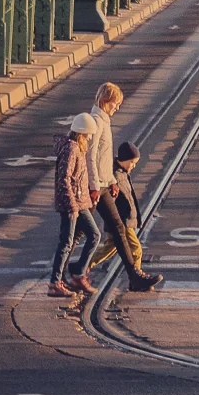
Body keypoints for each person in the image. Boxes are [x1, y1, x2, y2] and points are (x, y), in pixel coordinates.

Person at [69, 82, 164, 294]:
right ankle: (66, 272)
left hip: (103, 184)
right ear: (104, 101)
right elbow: (91, 158)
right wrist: (95, 186)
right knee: (79, 232)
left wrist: (112, 181)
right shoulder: (96, 121)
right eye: (115, 103)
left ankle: (132, 276)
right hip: (95, 186)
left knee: (115, 230)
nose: (117, 108)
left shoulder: (104, 121)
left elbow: (104, 160)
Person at [47, 113, 100, 299]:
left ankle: (78, 273)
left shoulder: (77, 148)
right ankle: (55, 283)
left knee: (94, 235)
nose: (90, 138)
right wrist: (72, 206)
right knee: (66, 242)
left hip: (80, 202)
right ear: (82, 133)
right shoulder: (71, 148)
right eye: (89, 135)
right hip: (71, 204)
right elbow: (64, 178)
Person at [89, 140, 145, 275]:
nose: (134, 166)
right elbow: (110, 201)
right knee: (136, 249)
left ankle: (85, 265)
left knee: (111, 247)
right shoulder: (114, 175)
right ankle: (137, 275)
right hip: (122, 221)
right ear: (124, 159)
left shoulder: (122, 173)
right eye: (132, 162)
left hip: (125, 219)